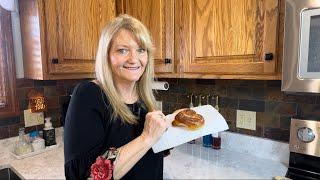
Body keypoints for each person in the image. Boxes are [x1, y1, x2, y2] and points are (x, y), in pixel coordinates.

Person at [64, 14, 172, 180]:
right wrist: (146, 138)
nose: (134, 59)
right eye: (123, 50)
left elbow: (142, 158)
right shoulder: (88, 95)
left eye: (141, 50)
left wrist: (166, 137)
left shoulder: (145, 99)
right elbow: (87, 176)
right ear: (106, 55)